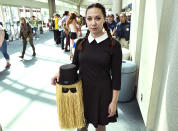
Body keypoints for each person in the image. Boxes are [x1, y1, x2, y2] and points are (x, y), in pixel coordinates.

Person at [51, 3, 122, 131]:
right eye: (89, 19)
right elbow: (74, 65)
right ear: (85, 20)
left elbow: (116, 76)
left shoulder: (113, 45)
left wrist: (114, 101)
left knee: (100, 126)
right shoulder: (81, 43)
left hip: (102, 93)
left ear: (104, 18)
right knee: (81, 125)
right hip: (82, 91)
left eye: (97, 18)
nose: (93, 23)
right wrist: (60, 72)